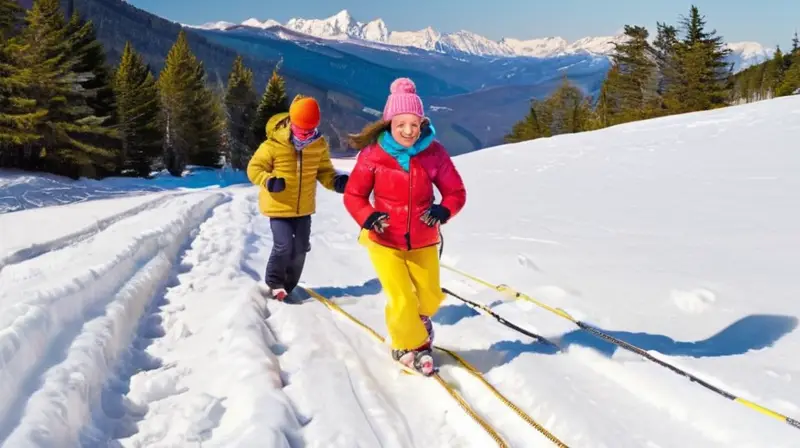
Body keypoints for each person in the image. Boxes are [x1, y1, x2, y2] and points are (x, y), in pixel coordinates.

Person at [343, 78, 467, 375]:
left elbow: (456, 192)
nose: (409, 131)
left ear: (422, 122)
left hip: (423, 238)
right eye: (401, 124)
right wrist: (367, 216)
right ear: (389, 123)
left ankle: (414, 324)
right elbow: (354, 195)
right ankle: (410, 344)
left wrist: (444, 208)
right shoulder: (373, 155)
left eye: (415, 124)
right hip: (384, 240)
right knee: (401, 298)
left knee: (430, 298)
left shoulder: (434, 153)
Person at [247, 95, 348, 301]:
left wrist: (336, 182)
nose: (306, 135)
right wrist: (269, 180)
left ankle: (288, 286)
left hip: (304, 208)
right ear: (292, 122)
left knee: (301, 247)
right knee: (283, 245)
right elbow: (254, 168)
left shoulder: (317, 145)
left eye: (310, 130)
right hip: (279, 205)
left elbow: (325, 171)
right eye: (302, 129)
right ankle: (274, 282)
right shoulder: (273, 145)